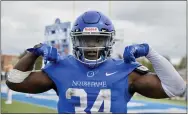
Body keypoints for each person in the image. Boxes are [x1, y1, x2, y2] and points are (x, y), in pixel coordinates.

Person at [6, 11, 186, 113]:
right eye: (85, 40)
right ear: (76, 40)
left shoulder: (126, 71)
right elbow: (13, 82)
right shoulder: (61, 67)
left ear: (109, 40)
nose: (91, 46)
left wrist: (150, 52)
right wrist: (35, 52)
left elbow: (177, 88)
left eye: (98, 39)